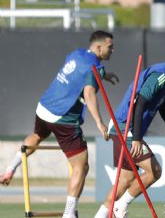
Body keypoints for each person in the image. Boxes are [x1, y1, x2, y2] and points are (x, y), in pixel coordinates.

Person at [0, 30, 118, 218]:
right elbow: (89, 93)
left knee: (37, 136)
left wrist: (103, 74)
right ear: (98, 47)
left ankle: (9, 169)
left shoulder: (77, 54)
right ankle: (68, 214)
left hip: (44, 108)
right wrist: (100, 123)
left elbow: (84, 70)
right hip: (64, 118)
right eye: (110, 47)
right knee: (82, 166)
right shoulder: (94, 68)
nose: (113, 50)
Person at [94, 58, 165, 218]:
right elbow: (140, 103)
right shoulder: (161, 76)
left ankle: (101, 215)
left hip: (125, 129)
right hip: (125, 128)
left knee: (124, 183)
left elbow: (164, 108)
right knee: (155, 170)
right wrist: (136, 138)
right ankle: (120, 206)